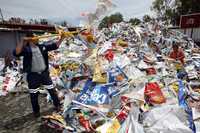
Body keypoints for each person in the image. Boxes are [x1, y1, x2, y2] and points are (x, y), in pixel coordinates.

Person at [13, 32, 65, 117]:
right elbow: (16, 53)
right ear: (31, 39)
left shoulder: (42, 47)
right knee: (34, 95)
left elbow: (55, 45)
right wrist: (22, 41)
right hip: (33, 76)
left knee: (52, 91)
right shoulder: (26, 49)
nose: (38, 38)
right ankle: (36, 111)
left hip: (44, 75)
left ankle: (57, 105)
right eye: (36, 37)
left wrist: (62, 38)